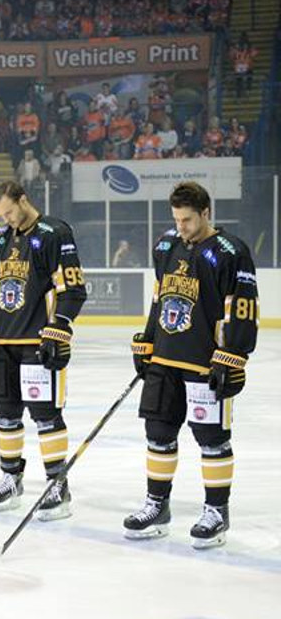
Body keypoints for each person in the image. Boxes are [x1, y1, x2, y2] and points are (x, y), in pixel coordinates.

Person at [125, 182, 258, 549]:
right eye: (176, 219)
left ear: (205, 213)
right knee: (157, 433)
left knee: (212, 439)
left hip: (205, 364)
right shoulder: (166, 246)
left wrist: (233, 355)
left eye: (187, 220)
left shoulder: (230, 252)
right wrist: (147, 339)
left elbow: (243, 308)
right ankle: (157, 506)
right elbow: (159, 297)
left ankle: (217, 512)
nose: (180, 227)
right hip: (165, 359)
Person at [0, 181, 87, 518]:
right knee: (5, 416)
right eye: (1, 216)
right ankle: (10, 478)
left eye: (9, 212)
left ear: (23, 200)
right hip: (4, 344)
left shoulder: (54, 233)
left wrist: (60, 325)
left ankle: (56, 485)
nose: (7, 220)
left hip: (38, 343)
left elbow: (73, 289)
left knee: (45, 416)